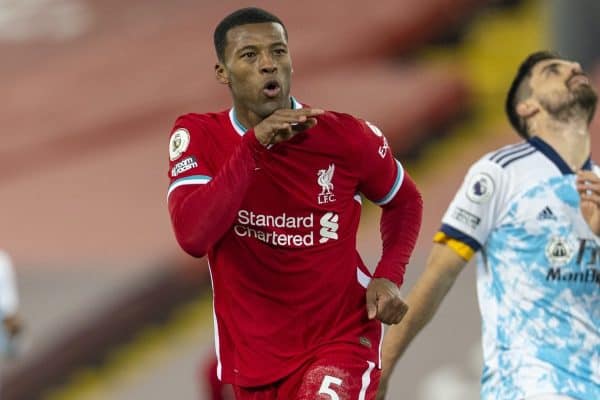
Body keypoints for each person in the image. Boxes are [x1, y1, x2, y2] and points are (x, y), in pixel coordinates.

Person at [166, 7, 423, 399]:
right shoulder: (200, 136)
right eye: (250, 55)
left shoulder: (345, 136)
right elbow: (192, 235)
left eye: (278, 52)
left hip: (343, 337)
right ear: (223, 72)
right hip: (256, 359)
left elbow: (404, 200)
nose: (268, 65)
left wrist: (389, 274)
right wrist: (253, 147)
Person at [377, 51, 600, 400]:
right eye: (555, 70)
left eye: (574, 66)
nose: (575, 67)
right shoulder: (500, 174)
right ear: (528, 106)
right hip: (527, 387)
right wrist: (383, 368)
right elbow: (439, 274)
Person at [0, 250, 22, 359]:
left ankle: (12, 350)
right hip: (7, 302)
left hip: (5, 303)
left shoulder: (3, 259)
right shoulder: (4, 258)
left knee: (9, 328)